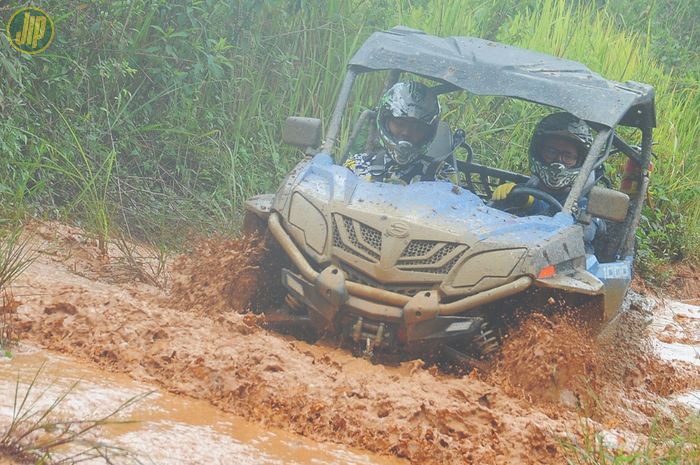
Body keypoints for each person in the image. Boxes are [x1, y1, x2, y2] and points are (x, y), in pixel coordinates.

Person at [344, 81, 455, 184]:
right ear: (385, 122)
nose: (406, 132)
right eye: (399, 123)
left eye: (417, 128)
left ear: (428, 133)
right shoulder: (357, 166)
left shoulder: (442, 175)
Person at [491, 112, 594, 216]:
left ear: (579, 161)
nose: (558, 160)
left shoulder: (583, 205)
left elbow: (574, 227)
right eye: (551, 152)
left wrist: (532, 204)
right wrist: (503, 198)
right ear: (539, 152)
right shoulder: (519, 192)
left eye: (567, 156)